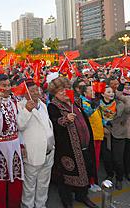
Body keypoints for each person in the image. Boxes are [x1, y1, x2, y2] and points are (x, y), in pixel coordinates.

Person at [47, 77, 97, 208]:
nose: (64, 92)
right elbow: (53, 123)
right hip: (67, 150)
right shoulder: (53, 106)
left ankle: (82, 196)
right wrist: (65, 119)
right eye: (60, 91)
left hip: (84, 146)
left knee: (85, 171)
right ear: (55, 94)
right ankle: (67, 202)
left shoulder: (76, 102)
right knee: (66, 177)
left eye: (66, 89)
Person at [0, 74, 24, 208]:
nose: (7, 88)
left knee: (16, 178)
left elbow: (18, 125)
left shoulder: (14, 101)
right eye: (4, 86)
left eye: (9, 85)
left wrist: (21, 144)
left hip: (15, 143)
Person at [17, 79, 55, 208]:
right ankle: (27, 206)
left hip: (48, 151)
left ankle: (40, 205)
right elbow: (19, 126)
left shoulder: (43, 105)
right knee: (29, 185)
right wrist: (27, 110)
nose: (35, 93)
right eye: (31, 90)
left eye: (36, 89)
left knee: (43, 184)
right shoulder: (20, 106)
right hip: (33, 152)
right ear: (25, 93)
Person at [78, 84, 103, 192]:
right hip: (91, 135)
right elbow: (87, 113)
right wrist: (94, 106)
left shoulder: (92, 101)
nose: (93, 92)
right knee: (91, 160)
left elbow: (98, 117)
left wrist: (106, 123)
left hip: (98, 134)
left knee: (96, 159)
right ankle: (90, 182)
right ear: (84, 93)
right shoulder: (83, 103)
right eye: (90, 90)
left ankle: (94, 181)